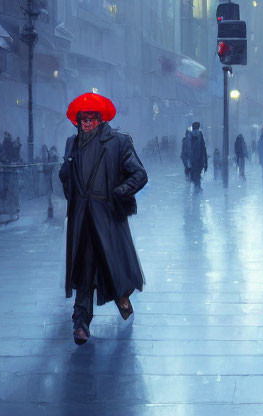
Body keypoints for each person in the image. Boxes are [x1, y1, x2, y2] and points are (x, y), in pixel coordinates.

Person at [59, 92, 147, 346]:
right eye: (82, 119)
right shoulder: (71, 144)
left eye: (91, 119)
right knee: (84, 269)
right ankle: (81, 322)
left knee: (113, 265)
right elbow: (67, 176)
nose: (86, 123)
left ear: (100, 119)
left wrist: (119, 192)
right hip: (82, 219)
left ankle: (122, 298)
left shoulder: (119, 142)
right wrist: (68, 182)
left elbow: (139, 175)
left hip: (108, 217)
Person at [186, 122, 208, 192]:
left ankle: (196, 185)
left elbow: (187, 148)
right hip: (200, 158)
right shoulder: (200, 134)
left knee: (194, 171)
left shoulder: (189, 135)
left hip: (193, 158)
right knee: (198, 172)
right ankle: (198, 187)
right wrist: (205, 159)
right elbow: (203, 147)